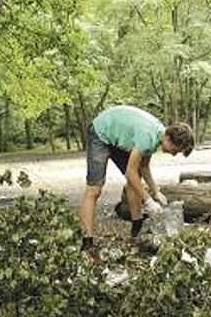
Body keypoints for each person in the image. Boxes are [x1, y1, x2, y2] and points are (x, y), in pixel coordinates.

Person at [78, 105, 195, 262]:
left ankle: (136, 230)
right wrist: (148, 201)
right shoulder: (147, 137)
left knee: (135, 180)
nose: (174, 154)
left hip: (116, 135)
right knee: (95, 189)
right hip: (101, 132)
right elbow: (130, 173)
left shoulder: (157, 135)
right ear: (168, 138)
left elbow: (143, 166)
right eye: (175, 149)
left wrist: (156, 191)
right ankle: (87, 242)